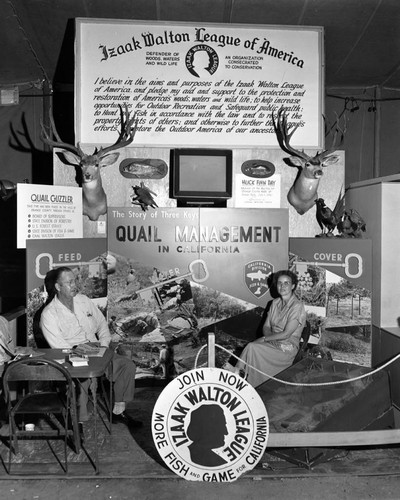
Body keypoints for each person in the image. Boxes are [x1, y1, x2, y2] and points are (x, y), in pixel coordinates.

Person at [39, 266, 141, 427]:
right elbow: (59, 347)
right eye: (69, 282)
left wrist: (104, 346)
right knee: (84, 380)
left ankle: (118, 411)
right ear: (58, 287)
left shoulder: (84, 300)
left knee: (127, 366)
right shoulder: (49, 314)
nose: (75, 285)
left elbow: (101, 324)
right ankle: (78, 422)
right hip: (74, 354)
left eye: (75, 280)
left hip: (98, 348)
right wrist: (81, 356)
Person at [235, 269, 306, 387]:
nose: (282, 286)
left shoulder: (297, 306)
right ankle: (241, 375)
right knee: (252, 347)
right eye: (279, 283)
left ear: (293, 286)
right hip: (272, 341)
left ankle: (242, 376)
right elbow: (266, 326)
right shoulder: (274, 303)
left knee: (253, 347)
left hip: (286, 347)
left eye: (286, 283)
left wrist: (264, 339)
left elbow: (286, 334)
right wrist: (268, 338)